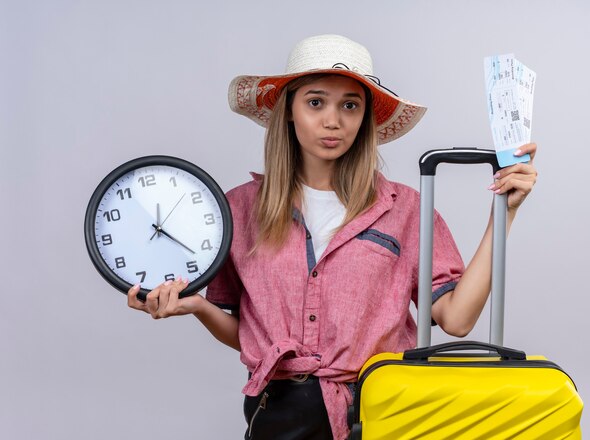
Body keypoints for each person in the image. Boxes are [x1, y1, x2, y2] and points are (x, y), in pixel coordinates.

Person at [126, 34, 538, 440]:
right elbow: (247, 333)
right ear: (289, 110)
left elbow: (458, 318)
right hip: (279, 415)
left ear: (364, 118)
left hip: (382, 413)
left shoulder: (405, 209)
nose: (333, 120)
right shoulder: (239, 209)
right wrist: (197, 306)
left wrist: (505, 212)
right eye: (316, 102)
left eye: (350, 105)